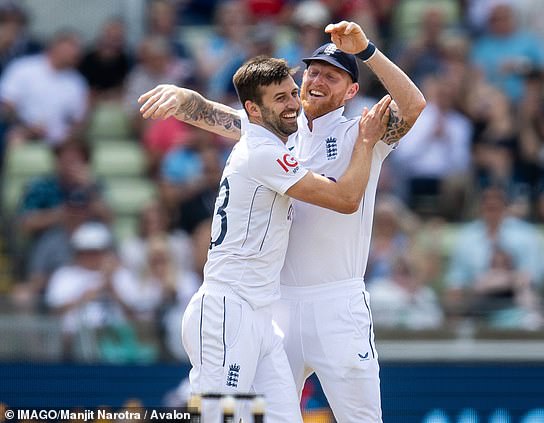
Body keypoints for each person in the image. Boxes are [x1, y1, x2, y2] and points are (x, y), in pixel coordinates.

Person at [138, 20, 425, 422]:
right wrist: (183, 97)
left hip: (336, 299)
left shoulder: (362, 131)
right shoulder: (278, 131)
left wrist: (367, 51)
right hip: (274, 302)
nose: (318, 79)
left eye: (333, 75)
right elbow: (223, 115)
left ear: (352, 91)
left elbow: (413, 106)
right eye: (313, 71)